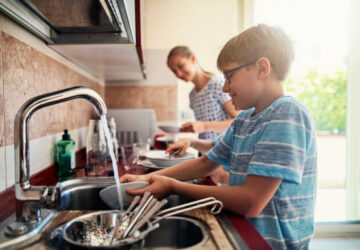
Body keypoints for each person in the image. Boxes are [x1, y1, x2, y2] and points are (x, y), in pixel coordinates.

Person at [121, 24, 317, 249]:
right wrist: (147, 179)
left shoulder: (287, 114)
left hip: (272, 244)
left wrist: (173, 186)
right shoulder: (244, 120)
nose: (224, 87)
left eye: (229, 76)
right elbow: (206, 161)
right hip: (245, 233)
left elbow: (251, 201)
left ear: (262, 68)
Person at [167, 45, 239, 140]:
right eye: (174, 71)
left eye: (181, 66)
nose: (178, 74)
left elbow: (239, 121)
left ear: (192, 59)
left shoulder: (218, 84)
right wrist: (193, 127)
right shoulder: (192, 95)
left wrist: (204, 126)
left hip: (224, 152)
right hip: (205, 151)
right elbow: (205, 129)